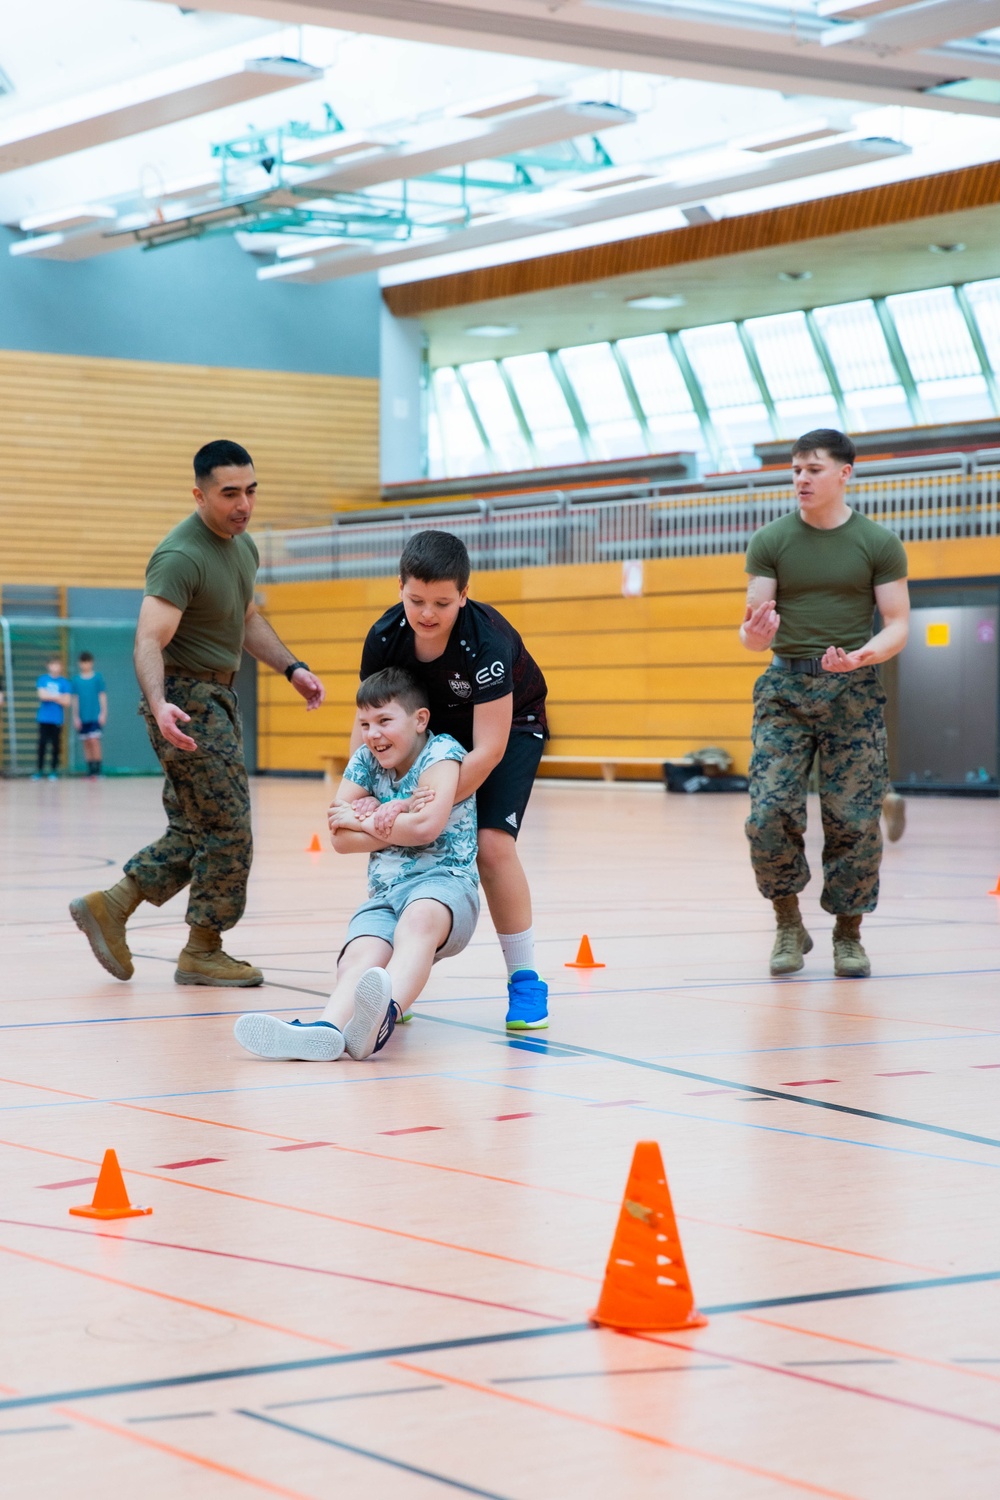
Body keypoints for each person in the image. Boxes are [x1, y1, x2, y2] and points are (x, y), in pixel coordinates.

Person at [69, 439, 325, 988]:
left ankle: (111, 906)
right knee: (229, 827)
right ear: (200, 494)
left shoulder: (243, 547)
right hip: (187, 701)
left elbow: (246, 617)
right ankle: (203, 949)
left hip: (219, 699)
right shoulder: (181, 555)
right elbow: (147, 640)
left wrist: (291, 667)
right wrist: (161, 705)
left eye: (251, 491)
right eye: (229, 493)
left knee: (197, 826)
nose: (244, 504)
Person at [355, 530, 550, 1031]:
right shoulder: (383, 638)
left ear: (463, 595)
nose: (427, 613)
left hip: (506, 727)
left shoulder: (487, 641)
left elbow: (489, 748)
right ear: (399, 587)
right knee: (406, 845)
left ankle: (525, 981)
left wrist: (428, 806)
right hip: (432, 723)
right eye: (416, 599)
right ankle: (404, 977)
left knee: (490, 844)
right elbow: (371, 721)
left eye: (442, 602)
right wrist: (358, 794)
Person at [234, 666, 479, 1061]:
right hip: (384, 895)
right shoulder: (365, 760)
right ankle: (327, 1030)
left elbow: (425, 829)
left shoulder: (442, 753)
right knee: (358, 958)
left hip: (445, 883)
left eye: (384, 721)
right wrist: (394, 814)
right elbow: (339, 838)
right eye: (365, 723)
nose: (373, 734)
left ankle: (382, 1018)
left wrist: (369, 815)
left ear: (420, 720)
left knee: (418, 921)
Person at [740, 428, 910, 979]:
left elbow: (899, 624)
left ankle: (848, 934)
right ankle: (788, 923)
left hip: (853, 692)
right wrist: (758, 633)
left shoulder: (878, 543)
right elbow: (752, 635)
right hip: (784, 690)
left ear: (845, 473)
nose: (801, 479)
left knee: (854, 820)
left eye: (813, 469)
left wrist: (862, 657)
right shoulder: (771, 540)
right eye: (795, 470)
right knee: (768, 812)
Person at [70, 651, 107, 780]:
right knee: (86, 742)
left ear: (91, 663)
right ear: (79, 663)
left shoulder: (97, 678)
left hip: (94, 716)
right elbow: (74, 699)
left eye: (87, 662)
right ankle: (90, 771)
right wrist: (75, 717)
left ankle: (98, 771)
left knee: (94, 741)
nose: (85, 664)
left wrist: (103, 713)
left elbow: (102, 696)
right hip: (82, 716)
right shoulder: (76, 680)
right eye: (82, 662)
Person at [33, 657, 71, 781]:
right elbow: (42, 696)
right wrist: (59, 696)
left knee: (55, 746)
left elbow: (67, 701)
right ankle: (39, 770)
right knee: (42, 745)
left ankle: (54, 771)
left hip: (57, 719)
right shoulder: (43, 679)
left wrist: (51, 696)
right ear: (48, 666)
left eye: (58, 665)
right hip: (44, 719)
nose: (55, 667)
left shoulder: (64, 682)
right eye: (53, 664)